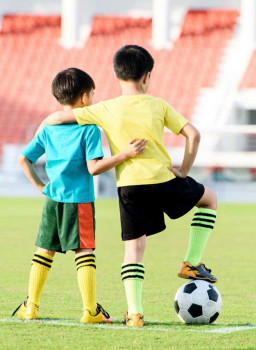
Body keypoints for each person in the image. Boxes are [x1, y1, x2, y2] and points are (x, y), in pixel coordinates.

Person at [38, 45, 218, 327]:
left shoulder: (105, 108)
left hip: (130, 187)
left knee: (134, 250)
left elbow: (58, 118)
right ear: (147, 76)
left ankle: (134, 314)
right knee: (210, 199)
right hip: (163, 178)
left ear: (115, 75)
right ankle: (192, 262)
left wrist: (43, 126)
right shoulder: (158, 104)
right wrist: (184, 169)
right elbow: (193, 135)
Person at [13, 67, 146, 323]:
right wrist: (124, 155)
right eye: (93, 94)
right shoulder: (89, 129)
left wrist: (43, 188)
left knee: (43, 251)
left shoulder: (48, 129)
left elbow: (23, 159)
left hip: (54, 198)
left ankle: (31, 306)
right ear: (85, 98)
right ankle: (90, 310)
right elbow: (94, 168)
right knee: (84, 252)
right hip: (80, 201)